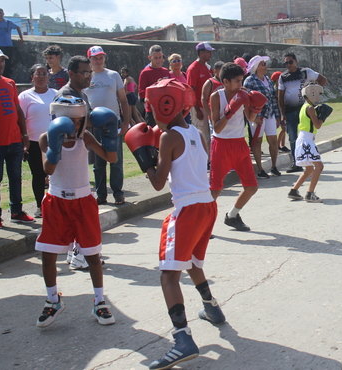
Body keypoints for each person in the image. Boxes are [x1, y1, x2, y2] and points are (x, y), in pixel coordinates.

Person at [124, 78, 225, 369]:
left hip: (187, 209)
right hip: (207, 204)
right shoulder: (197, 132)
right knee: (192, 261)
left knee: (169, 274)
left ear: (163, 106)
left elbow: (157, 184)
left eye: (153, 107)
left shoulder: (168, 138)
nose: (152, 113)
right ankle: (212, 308)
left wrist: (145, 159)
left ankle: (182, 339)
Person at [34, 95, 118, 328]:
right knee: (48, 254)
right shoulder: (45, 138)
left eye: (80, 120)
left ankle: (100, 301)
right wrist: (55, 147)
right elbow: (48, 169)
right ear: (58, 117)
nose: (76, 125)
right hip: (56, 201)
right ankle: (52, 300)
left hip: (83, 201)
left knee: (92, 255)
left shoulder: (86, 137)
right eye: (72, 120)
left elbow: (111, 158)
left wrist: (111, 135)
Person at [209, 63, 266, 231]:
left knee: (251, 187)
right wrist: (230, 110)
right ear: (225, 81)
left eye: (242, 80)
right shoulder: (216, 97)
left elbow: (250, 117)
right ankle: (203, 225)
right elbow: (217, 127)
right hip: (221, 145)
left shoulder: (243, 95)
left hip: (239, 143)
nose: (241, 85)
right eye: (237, 81)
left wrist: (256, 108)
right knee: (215, 189)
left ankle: (232, 215)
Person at [0, 47, 34, 229]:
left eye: (2, 60)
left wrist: (24, 134)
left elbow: (18, 110)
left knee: (16, 177)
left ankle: (17, 211)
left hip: (14, 140)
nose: (0, 64)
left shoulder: (10, 83)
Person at [55, 55, 94, 270]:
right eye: (84, 72)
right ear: (71, 73)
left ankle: (76, 253)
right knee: (77, 209)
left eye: (89, 72)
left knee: (79, 207)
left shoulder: (82, 94)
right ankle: (79, 254)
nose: (88, 76)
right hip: (66, 159)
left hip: (78, 156)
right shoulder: (66, 96)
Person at [84, 46, 131, 205]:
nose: (98, 60)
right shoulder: (86, 78)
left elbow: (123, 100)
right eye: (95, 58)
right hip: (95, 124)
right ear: (89, 59)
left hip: (114, 123)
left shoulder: (113, 75)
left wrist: (125, 122)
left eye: (101, 57)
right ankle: (101, 195)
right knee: (98, 162)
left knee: (116, 161)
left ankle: (118, 193)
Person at [18, 64, 57, 218]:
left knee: (55, 174)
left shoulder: (55, 94)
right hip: (33, 142)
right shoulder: (25, 96)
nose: (41, 77)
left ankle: (56, 204)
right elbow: (20, 120)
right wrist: (23, 140)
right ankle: (40, 206)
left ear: (48, 77)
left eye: (44, 73)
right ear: (32, 77)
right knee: (38, 175)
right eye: (38, 74)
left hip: (53, 141)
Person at [277, 53, 327, 173]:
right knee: (293, 137)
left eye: (290, 62)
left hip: (305, 109)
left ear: (296, 61)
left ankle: (310, 159)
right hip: (290, 110)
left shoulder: (306, 72)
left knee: (307, 135)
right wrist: (282, 113)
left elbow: (323, 80)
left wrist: (314, 92)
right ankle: (296, 162)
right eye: (286, 63)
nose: (288, 65)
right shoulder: (283, 77)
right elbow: (280, 96)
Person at [287, 83, 333, 202]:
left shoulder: (305, 106)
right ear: (312, 94)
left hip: (304, 138)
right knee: (319, 166)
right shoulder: (310, 108)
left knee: (309, 169)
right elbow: (317, 124)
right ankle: (310, 193)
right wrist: (322, 117)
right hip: (306, 139)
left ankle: (294, 190)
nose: (319, 97)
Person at [244, 55, 282, 178]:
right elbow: (247, 101)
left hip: (270, 113)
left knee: (273, 140)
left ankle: (274, 166)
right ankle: (260, 169)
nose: (265, 66)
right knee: (257, 141)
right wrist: (254, 117)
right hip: (257, 115)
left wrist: (277, 116)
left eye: (265, 64)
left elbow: (273, 99)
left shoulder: (269, 80)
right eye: (262, 64)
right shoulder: (250, 81)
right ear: (256, 67)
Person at [188, 42, 216, 149]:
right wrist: (197, 110)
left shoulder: (207, 67)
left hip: (207, 107)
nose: (210, 54)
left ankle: (208, 161)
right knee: (202, 135)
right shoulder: (193, 68)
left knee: (209, 135)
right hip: (199, 107)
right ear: (201, 53)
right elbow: (191, 90)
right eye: (208, 52)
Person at [0, 8, 23, 78]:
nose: (0, 15)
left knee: (7, 63)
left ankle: (7, 77)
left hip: (8, 45)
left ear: (3, 14)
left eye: (1, 13)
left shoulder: (8, 22)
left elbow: (17, 27)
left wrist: (21, 38)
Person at [138, 45, 170, 127]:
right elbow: (141, 93)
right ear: (150, 58)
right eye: (156, 58)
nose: (159, 60)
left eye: (160, 57)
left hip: (166, 108)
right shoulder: (145, 73)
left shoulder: (166, 71)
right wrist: (156, 86)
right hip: (152, 110)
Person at [270, 71, 289, 153]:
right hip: (278, 111)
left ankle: (282, 145)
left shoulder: (280, 88)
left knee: (284, 128)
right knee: (284, 128)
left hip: (282, 110)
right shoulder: (276, 90)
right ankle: (278, 145)